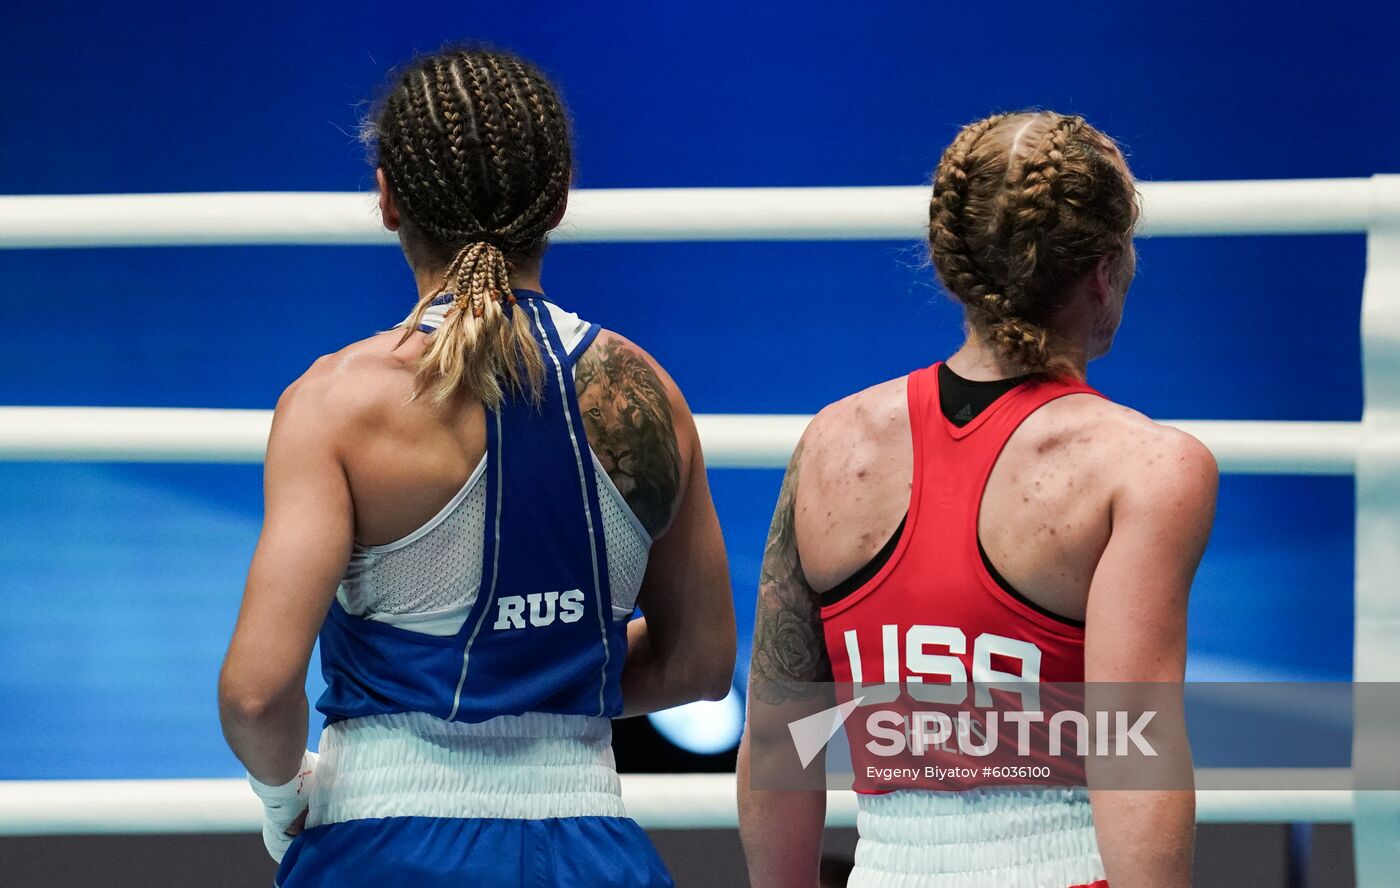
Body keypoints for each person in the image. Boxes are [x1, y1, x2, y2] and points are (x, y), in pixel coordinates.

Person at [218, 46, 735, 887]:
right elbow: (702, 663)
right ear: (559, 199)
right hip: (596, 849)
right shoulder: (646, 394)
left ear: (387, 198)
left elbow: (254, 694)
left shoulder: (339, 403)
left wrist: (285, 806)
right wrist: (550, 671)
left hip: (384, 846)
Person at [738, 112, 1217, 887]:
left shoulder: (832, 445)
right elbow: (1132, 751)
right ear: (1103, 268)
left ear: (948, 260)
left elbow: (777, 741)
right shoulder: (1148, 467)